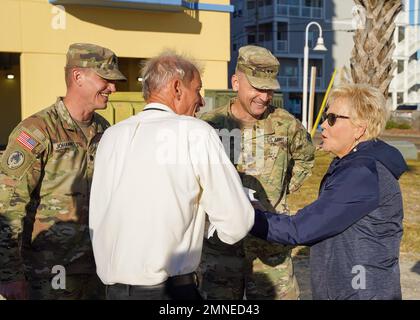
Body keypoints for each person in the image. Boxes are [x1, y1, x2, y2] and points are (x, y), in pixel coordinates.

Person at [89, 51, 254, 300]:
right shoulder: (194, 132)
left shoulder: (112, 135)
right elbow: (237, 222)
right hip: (169, 290)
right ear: (177, 87)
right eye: (198, 90)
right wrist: (207, 227)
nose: (201, 101)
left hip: (113, 291)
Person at [251, 83, 407, 300]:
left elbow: (301, 229)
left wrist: (248, 218)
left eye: (332, 118)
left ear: (359, 128)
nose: (324, 125)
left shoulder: (361, 174)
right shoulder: (352, 165)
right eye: (325, 117)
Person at [0, 43, 126, 300]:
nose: (113, 88)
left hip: (96, 270)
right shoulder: (37, 131)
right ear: (78, 76)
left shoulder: (106, 131)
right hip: (47, 272)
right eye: (106, 79)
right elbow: (8, 205)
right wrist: (9, 274)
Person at [198, 45, 315, 300]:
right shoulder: (208, 127)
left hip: (269, 250)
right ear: (236, 81)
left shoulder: (286, 125)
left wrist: (279, 193)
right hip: (220, 249)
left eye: (269, 89)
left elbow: (305, 159)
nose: (264, 97)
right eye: (257, 88)